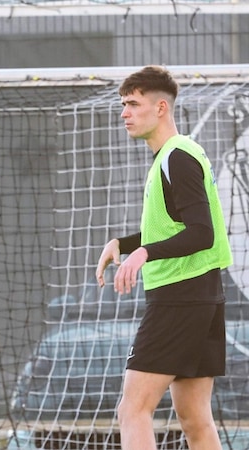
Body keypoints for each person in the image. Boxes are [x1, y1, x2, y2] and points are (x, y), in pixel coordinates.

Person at [95, 65, 233, 450]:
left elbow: (201, 234)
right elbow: (175, 227)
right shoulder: (173, 156)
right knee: (195, 420)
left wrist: (144, 252)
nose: (125, 112)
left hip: (179, 298)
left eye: (133, 104)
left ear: (160, 108)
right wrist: (123, 244)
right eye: (123, 104)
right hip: (202, 296)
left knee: (133, 409)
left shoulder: (177, 157)